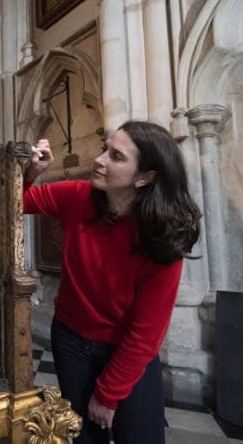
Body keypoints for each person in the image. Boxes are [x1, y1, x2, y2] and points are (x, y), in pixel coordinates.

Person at [23, 121, 201, 444]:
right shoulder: (79, 197)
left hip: (127, 350)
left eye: (116, 156)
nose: (100, 160)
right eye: (105, 149)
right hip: (71, 340)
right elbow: (16, 203)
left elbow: (146, 334)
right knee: (82, 437)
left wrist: (107, 395)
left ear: (145, 176)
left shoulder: (163, 237)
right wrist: (30, 174)